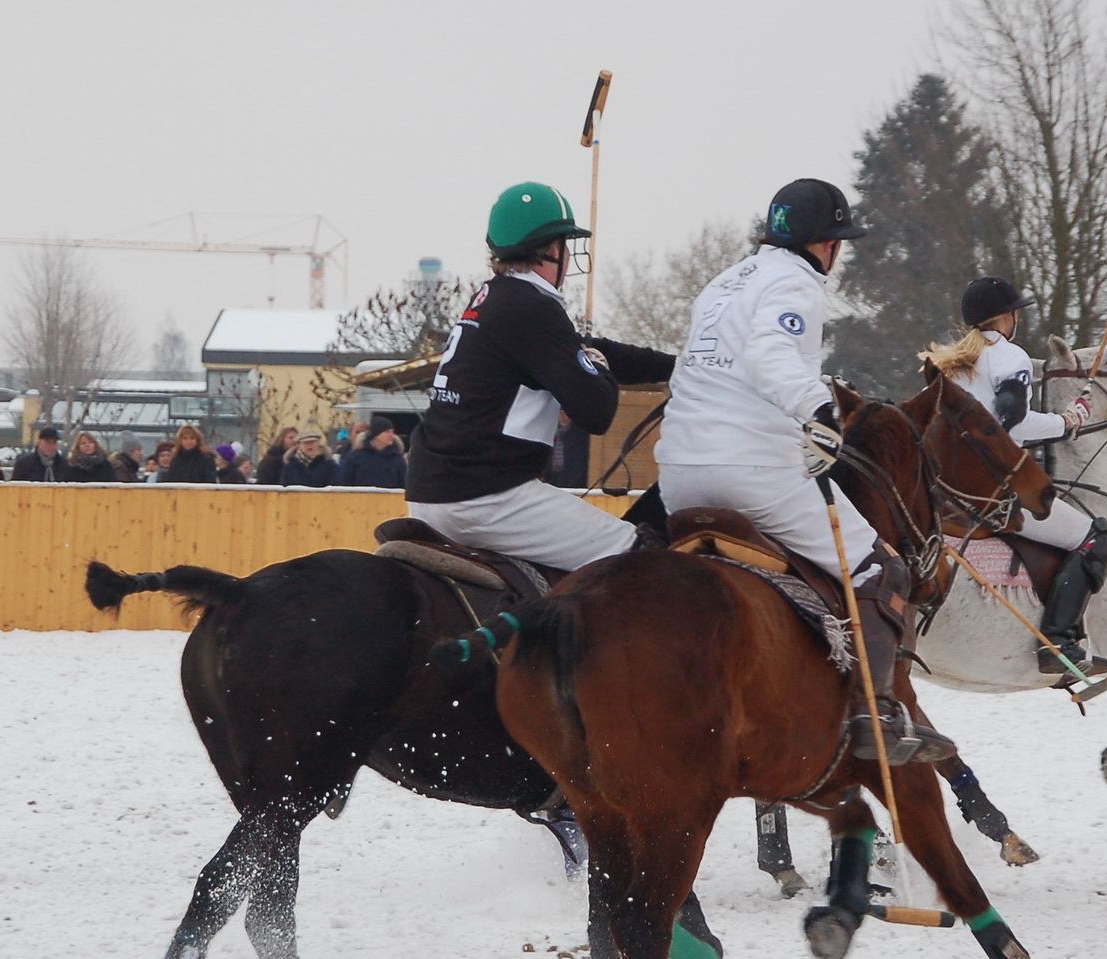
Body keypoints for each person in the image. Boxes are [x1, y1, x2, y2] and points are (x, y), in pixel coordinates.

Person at [654, 177, 952, 762]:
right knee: (882, 568)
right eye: (838, 242)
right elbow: (770, 354)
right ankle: (877, 712)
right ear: (825, 244)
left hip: (677, 475)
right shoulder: (797, 282)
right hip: (750, 469)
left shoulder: (722, 283)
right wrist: (818, 409)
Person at [405, 181, 675, 568]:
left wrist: (678, 368)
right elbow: (597, 412)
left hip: (430, 495)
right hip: (489, 499)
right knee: (641, 562)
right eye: (565, 244)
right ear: (551, 249)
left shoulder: (498, 297)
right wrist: (596, 364)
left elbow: (585, 347)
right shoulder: (534, 306)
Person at [925, 277, 1107, 678]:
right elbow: (1011, 422)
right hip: (995, 492)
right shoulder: (1011, 358)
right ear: (1008, 318)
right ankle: (1059, 642)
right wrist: (1068, 421)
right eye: (1016, 314)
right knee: (1095, 538)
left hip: (946, 491)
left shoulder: (954, 362)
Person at [337, 415, 407, 488]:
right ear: (376, 434)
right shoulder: (355, 457)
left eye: (392, 432)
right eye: (387, 432)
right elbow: (344, 483)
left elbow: (403, 486)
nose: (391, 435)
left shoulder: (397, 459)